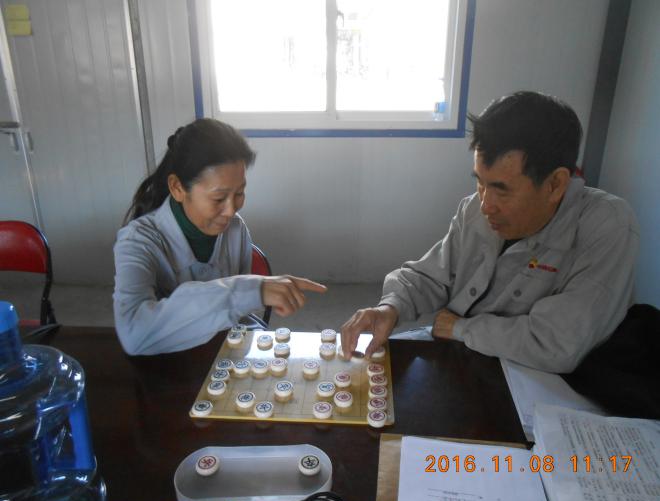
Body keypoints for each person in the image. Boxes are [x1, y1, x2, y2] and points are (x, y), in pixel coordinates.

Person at [341, 91, 639, 373]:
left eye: (502, 190)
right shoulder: (474, 209)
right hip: (463, 349)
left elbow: (557, 344)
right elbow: (432, 276)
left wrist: (461, 328)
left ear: (555, 184)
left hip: (545, 380)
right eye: (480, 183)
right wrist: (391, 307)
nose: (485, 205)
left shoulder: (607, 225)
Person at [114, 118, 326, 355]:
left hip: (221, 358)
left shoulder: (235, 229)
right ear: (177, 188)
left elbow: (238, 319)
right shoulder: (137, 241)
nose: (231, 210)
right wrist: (246, 291)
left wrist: (251, 300)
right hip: (167, 363)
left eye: (240, 193)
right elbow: (134, 333)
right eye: (218, 198)